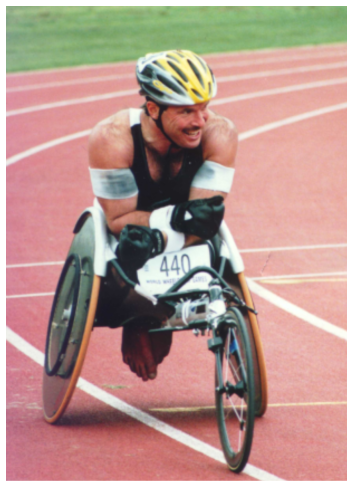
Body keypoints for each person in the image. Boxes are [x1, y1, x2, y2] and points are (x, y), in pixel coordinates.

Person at [88, 50, 237, 381]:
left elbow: (204, 217)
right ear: (153, 109)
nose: (201, 121)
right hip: (128, 235)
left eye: (204, 107)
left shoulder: (220, 133)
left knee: (206, 232)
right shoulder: (111, 139)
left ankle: (151, 314)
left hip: (177, 234)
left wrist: (163, 233)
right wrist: (173, 225)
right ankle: (138, 319)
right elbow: (118, 219)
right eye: (187, 111)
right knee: (133, 243)